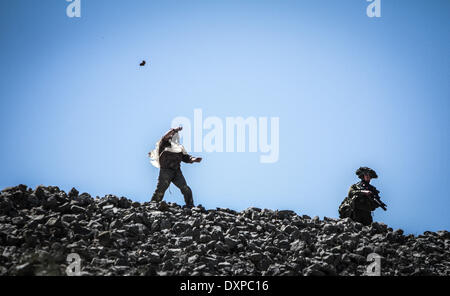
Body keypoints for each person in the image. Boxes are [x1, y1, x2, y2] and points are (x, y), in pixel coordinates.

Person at [148, 126, 202, 208]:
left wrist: (194, 159)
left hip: (176, 171)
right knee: (161, 189)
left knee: (185, 188)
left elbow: (186, 157)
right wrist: (174, 130)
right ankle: (153, 204)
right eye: (173, 135)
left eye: (176, 135)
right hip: (165, 171)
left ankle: (190, 204)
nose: (174, 137)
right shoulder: (164, 143)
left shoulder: (179, 148)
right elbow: (164, 137)